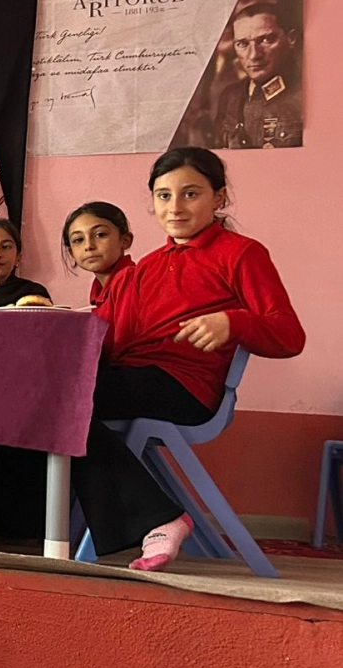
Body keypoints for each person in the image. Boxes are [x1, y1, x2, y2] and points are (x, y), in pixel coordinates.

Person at [83, 147, 304, 570]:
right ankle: (27, 524)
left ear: (218, 198)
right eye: (164, 196)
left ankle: (159, 518)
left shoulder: (241, 253)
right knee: (45, 397)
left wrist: (234, 322)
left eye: (190, 194)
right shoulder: (144, 268)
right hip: (133, 379)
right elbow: (108, 342)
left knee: (62, 402)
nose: (175, 207)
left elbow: (289, 335)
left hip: (186, 387)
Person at [213, 3, 302, 149]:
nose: (254, 55)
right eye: (243, 44)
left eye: (266, 40)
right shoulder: (230, 97)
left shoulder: (305, 95)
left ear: (290, 39)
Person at [62, 201, 134, 307]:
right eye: (78, 240)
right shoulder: (98, 288)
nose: (88, 246)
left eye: (100, 235)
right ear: (71, 253)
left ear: (125, 240)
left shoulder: (130, 280)